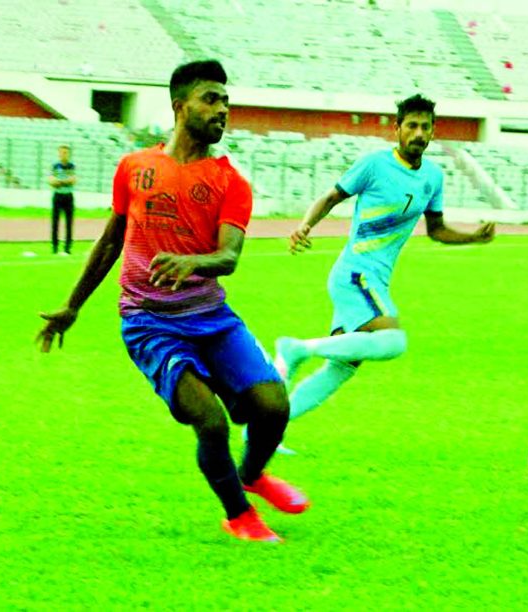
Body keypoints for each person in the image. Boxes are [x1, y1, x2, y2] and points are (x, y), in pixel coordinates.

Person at [36, 60, 309, 543]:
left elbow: (228, 257)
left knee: (273, 405)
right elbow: (109, 242)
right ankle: (240, 515)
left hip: (211, 316)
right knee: (210, 419)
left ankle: (252, 475)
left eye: (226, 101)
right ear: (180, 106)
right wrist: (73, 305)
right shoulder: (135, 168)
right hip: (149, 322)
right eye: (211, 99)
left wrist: (192, 262)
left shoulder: (230, 182)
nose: (223, 109)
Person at [274, 94, 495, 433]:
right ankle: (298, 348)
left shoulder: (433, 177)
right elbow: (331, 196)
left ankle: (264, 432)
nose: (419, 133)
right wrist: (305, 225)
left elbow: (436, 230)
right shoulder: (375, 164)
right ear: (397, 129)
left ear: (433, 132)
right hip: (356, 275)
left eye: (426, 127)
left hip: (373, 279)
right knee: (393, 342)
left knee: (341, 369)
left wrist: (473, 237)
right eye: (412, 126)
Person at [48, 144, 76, 255]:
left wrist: (60, 182)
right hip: (58, 196)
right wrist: (64, 181)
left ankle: (67, 248)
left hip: (68, 196)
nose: (63, 154)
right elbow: (51, 181)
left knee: (69, 223)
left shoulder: (71, 166)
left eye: (65, 152)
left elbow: (73, 180)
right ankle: (54, 247)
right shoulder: (55, 166)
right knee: (55, 222)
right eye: (61, 152)